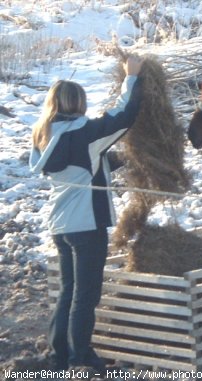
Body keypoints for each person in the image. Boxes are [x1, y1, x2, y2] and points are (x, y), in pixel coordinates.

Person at [29, 56, 144, 371]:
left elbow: (81, 166)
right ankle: (81, 355)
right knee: (86, 293)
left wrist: (122, 161)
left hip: (60, 225)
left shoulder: (44, 134)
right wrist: (131, 78)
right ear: (78, 103)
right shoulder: (84, 131)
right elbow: (123, 116)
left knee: (69, 289)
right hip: (87, 225)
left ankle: (60, 353)